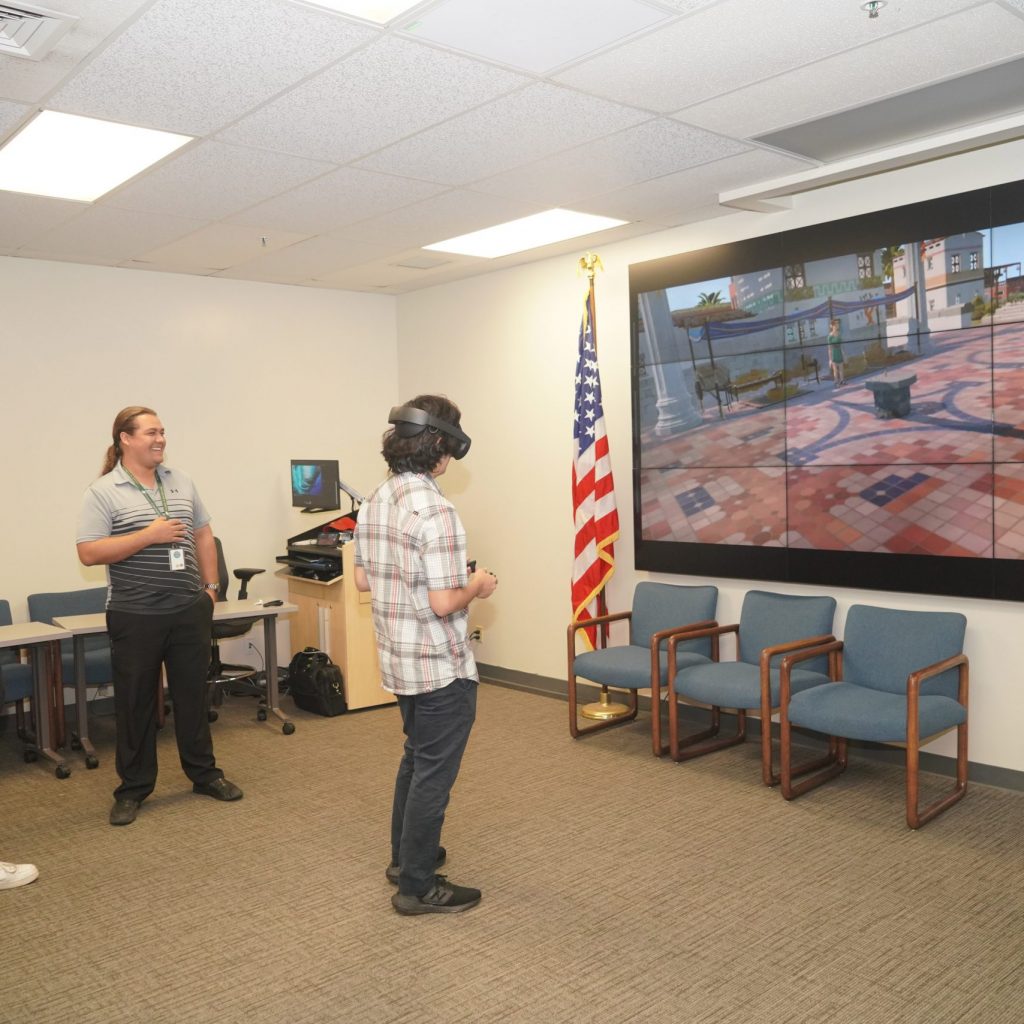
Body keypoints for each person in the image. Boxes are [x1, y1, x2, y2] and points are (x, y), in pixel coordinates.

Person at [353, 395, 498, 916]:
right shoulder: (437, 511)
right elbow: (442, 602)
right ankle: (416, 886)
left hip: (398, 660)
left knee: (416, 758)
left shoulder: (375, 499)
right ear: (443, 446)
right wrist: (477, 585)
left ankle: (403, 857)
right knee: (434, 774)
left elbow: (363, 579)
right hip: (440, 667)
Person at [76, 406, 243, 826]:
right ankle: (133, 789)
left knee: (192, 696)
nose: (160, 439)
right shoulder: (103, 491)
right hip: (135, 614)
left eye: (163, 432)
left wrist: (211, 589)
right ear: (125, 439)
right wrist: (148, 535)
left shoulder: (181, 482)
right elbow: (89, 552)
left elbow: (203, 533)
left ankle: (204, 775)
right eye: (151, 432)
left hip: (188, 609)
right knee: (135, 704)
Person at [828, 317, 846, 386]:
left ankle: (842, 381)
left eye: (838, 324)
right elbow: (829, 348)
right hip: (833, 353)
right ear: (832, 326)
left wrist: (844, 354)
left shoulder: (839, 334)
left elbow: (841, 346)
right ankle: (836, 382)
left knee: (841, 368)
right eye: (835, 324)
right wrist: (830, 359)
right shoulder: (830, 336)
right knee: (835, 369)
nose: (837, 325)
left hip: (839, 352)